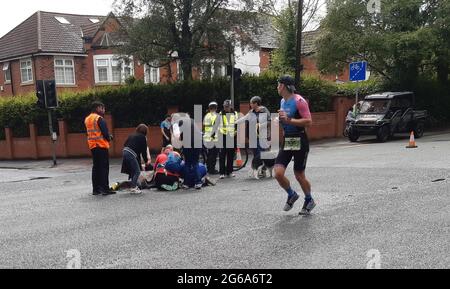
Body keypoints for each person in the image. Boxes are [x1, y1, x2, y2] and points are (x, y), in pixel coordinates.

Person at [274, 75, 316, 215]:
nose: (277, 87)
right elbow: (285, 119)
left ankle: (309, 200)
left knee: (299, 175)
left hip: (300, 139)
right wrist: (279, 120)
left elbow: (309, 122)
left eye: (279, 84)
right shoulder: (282, 101)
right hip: (288, 140)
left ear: (285, 86)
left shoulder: (299, 101)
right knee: (278, 173)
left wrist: (289, 120)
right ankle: (291, 194)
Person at [236, 96, 272, 179]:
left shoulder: (264, 110)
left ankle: (263, 171)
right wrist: (235, 122)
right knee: (256, 154)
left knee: (262, 153)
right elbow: (244, 118)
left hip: (262, 136)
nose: (250, 104)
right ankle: (257, 169)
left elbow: (269, 122)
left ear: (256, 103)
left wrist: (260, 125)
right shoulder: (251, 111)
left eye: (251, 103)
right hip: (253, 137)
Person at [85, 101, 115, 196]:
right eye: (102, 108)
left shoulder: (87, 119)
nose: (104, 110)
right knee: (104, 168)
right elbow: (105, 133)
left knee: (96, 167)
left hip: (93, 146)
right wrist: (109, 137)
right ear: (98, 108)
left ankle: (96, 189)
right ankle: (105, 189)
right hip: (101, 146)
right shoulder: (99, 118)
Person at [172, 114, 204, 189]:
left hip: (188, 144)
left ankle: (186, 183)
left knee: (188, 163)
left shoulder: (179, 123)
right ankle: (198, 182)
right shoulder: (192, 120)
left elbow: (179, 137)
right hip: (198, 142)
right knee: (195, 162)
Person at [121, 124, 151, 194]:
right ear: (145, 131)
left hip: (125, 151)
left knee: (133, 170)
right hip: (130, 153)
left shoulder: (132, 135)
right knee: (137, 171)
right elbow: (144, 151)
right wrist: (146, 161)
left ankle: (135, 185)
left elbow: (125, 144)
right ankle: (133, 187)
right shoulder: (143, 137)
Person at [218, 100, 238, 179]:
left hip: (232, 136)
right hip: (223, 136)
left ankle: (230, 171)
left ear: (230, 106)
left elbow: (237, 124)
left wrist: (236, 132)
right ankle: (222, 173)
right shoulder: (220, 114)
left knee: (230, 155)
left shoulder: (235, 113)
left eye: (227, 106)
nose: (225, 108)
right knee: (222, 155)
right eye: (224, 106)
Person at [203, 102, 220, 175]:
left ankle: (209, 168)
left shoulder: (206, 116)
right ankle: (212, 169)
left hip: (207, 137)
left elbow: (204, 125)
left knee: (210, 153)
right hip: (213, 137)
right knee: (214, 154)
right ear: (216, 108)